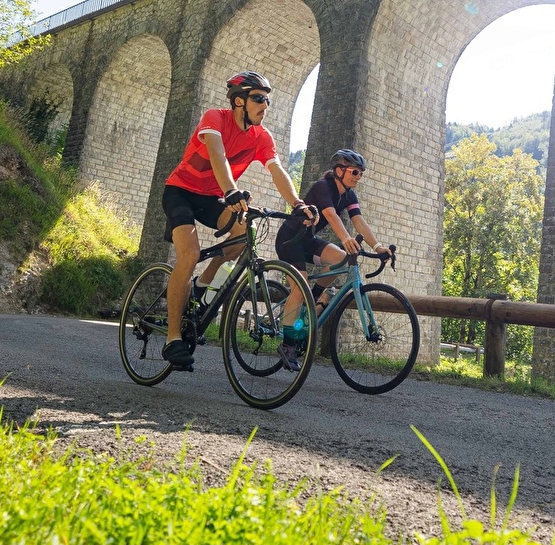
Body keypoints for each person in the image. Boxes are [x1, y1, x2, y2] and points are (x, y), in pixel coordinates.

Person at [160, 71, 314, 370]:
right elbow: (217, 155)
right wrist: (231, 191)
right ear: (238, 101)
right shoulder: (215, 118)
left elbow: (277, 170)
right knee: (189, 255)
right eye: (258, 99)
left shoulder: (262, 136)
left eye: (267, 100)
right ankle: (173, 337)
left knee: (245, 234)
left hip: (211, 198)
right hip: (181, 192)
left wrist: (297, 203)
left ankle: (203, 285)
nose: (265, 105)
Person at [273, 148, 390, 371]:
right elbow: (330, 214)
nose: (358, 177)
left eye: (361, 173)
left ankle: (314, 296)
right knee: (299, 288)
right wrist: (345, 238)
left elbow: (359, 221)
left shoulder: (349, 195)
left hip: (308, 240)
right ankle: (288, 345)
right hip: (290, 239)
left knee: (341, 258)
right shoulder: (323, 187)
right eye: (355, 172)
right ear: (339, 170)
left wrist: (378, 246)